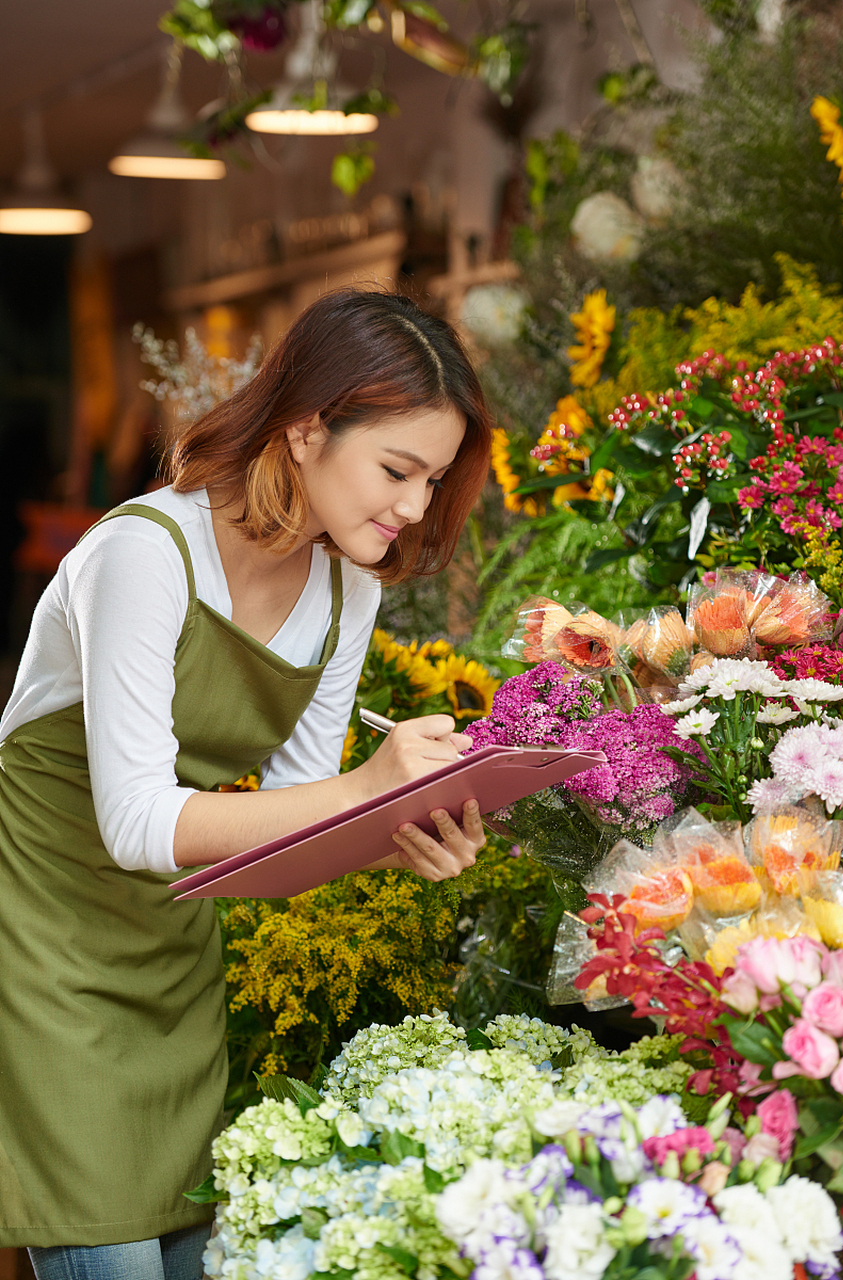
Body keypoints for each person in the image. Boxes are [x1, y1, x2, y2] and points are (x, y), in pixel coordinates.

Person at [0, 286, 494, 1280]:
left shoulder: (346, 586)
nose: (412, 507)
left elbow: (291, 831)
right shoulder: (145, 551)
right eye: (396, 469)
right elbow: (138, 819)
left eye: (431, 480)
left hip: (174, 954)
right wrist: (366, 789)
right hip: (41, 943)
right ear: (307, 428)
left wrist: (403, 825)